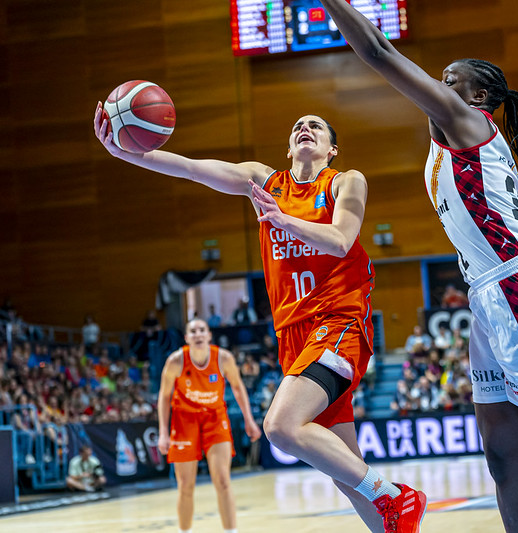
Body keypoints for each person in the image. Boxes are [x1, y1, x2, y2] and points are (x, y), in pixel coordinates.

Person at [315, 2, 518, 531]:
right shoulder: (457, 141)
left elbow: (376, 50)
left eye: (449, 79)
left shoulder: (466, 122)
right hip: (490, 296)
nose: (436, 85)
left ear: (478, 96)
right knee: (503, 459)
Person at [94, 107, 426, 532]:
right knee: (348, 472)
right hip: (294, 335)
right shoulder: (264, 181)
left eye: (316, 126)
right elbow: (192, 169)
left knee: (280, 426)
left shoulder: (346, 180)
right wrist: (127, 154)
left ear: (332, 148)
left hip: (338, 319)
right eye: (297, 126)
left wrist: (284, 220)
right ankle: (392, 518)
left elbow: (343, 239)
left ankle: (395, 495)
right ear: (289, 148)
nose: (304, 128)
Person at [157, 319, 261, 533]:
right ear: (186, 338)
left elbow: (238, 388)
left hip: (215, 417)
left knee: (223, 480)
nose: (198, 334)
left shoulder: (224, 358)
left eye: (201, 330)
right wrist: (163, 432)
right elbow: (164, 396)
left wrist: (249, 420)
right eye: (193, 331)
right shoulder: (176, 361)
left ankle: (231, 531)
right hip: (184, 419)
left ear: (209, 335)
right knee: (186, 485)